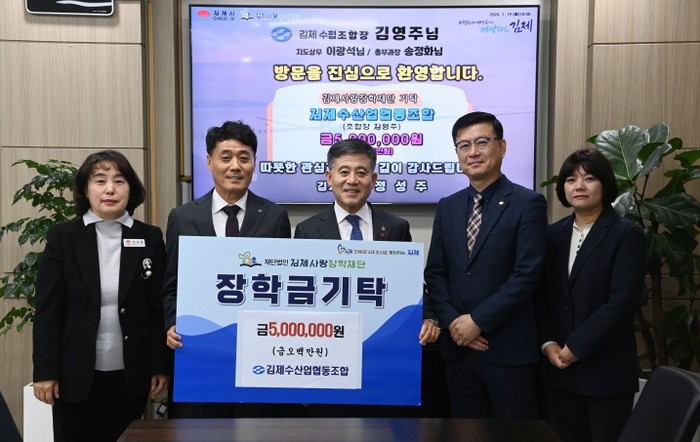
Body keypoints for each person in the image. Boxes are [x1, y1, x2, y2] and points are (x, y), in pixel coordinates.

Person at [32, 150, 170, 442]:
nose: (110, 189)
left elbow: (156, 308)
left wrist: (159, 365)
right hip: (74, 374)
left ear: (130, 189)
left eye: (119, 181)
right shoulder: (63, 237)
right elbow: (48, 310)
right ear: (86, 189)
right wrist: (45, 371)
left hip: (131, 373)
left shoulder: (150, 237)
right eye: (100, 180)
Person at [162, 120, 291, 417]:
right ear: (209, 162)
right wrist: (171, 323)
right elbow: (172, 284)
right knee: (201, 428)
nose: (235, 166)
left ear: (254, 163)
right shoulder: (182, 217)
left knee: (256, 428)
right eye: (226, 157)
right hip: (201, 350)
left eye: (244, 158)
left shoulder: (274, 216)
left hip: (259, 350)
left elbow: (282, 285)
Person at [424, 111, 548, 418]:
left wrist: (477, 321)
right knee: (465, 432)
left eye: (482, 142)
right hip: (458, 350)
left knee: (513, 434)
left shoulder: (528, 203)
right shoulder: (448, 206)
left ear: (502, 147)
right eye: (463, 145)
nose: (473, 152)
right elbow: (436, 273)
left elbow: (527, 275)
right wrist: (454, 323)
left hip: (506, 349)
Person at [537, 149, 645, 442]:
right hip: (558, 370)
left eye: (589, 178)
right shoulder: (552, 235)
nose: (579, 186)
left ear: (605, 184)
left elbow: (622, 302)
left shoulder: (626, 234)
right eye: (571, 180)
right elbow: (540, 297)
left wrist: (577, 346)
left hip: (605, 373)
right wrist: (548, 344)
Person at [294, 138, 440, 345]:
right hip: (328, 338)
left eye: (361, 173)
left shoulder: (396, 227)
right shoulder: (307, 231)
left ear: (373, 179)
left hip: (383, 336)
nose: (352, 180)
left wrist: (429, 317)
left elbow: (410, 282)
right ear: (329, 178)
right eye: (344, 172)